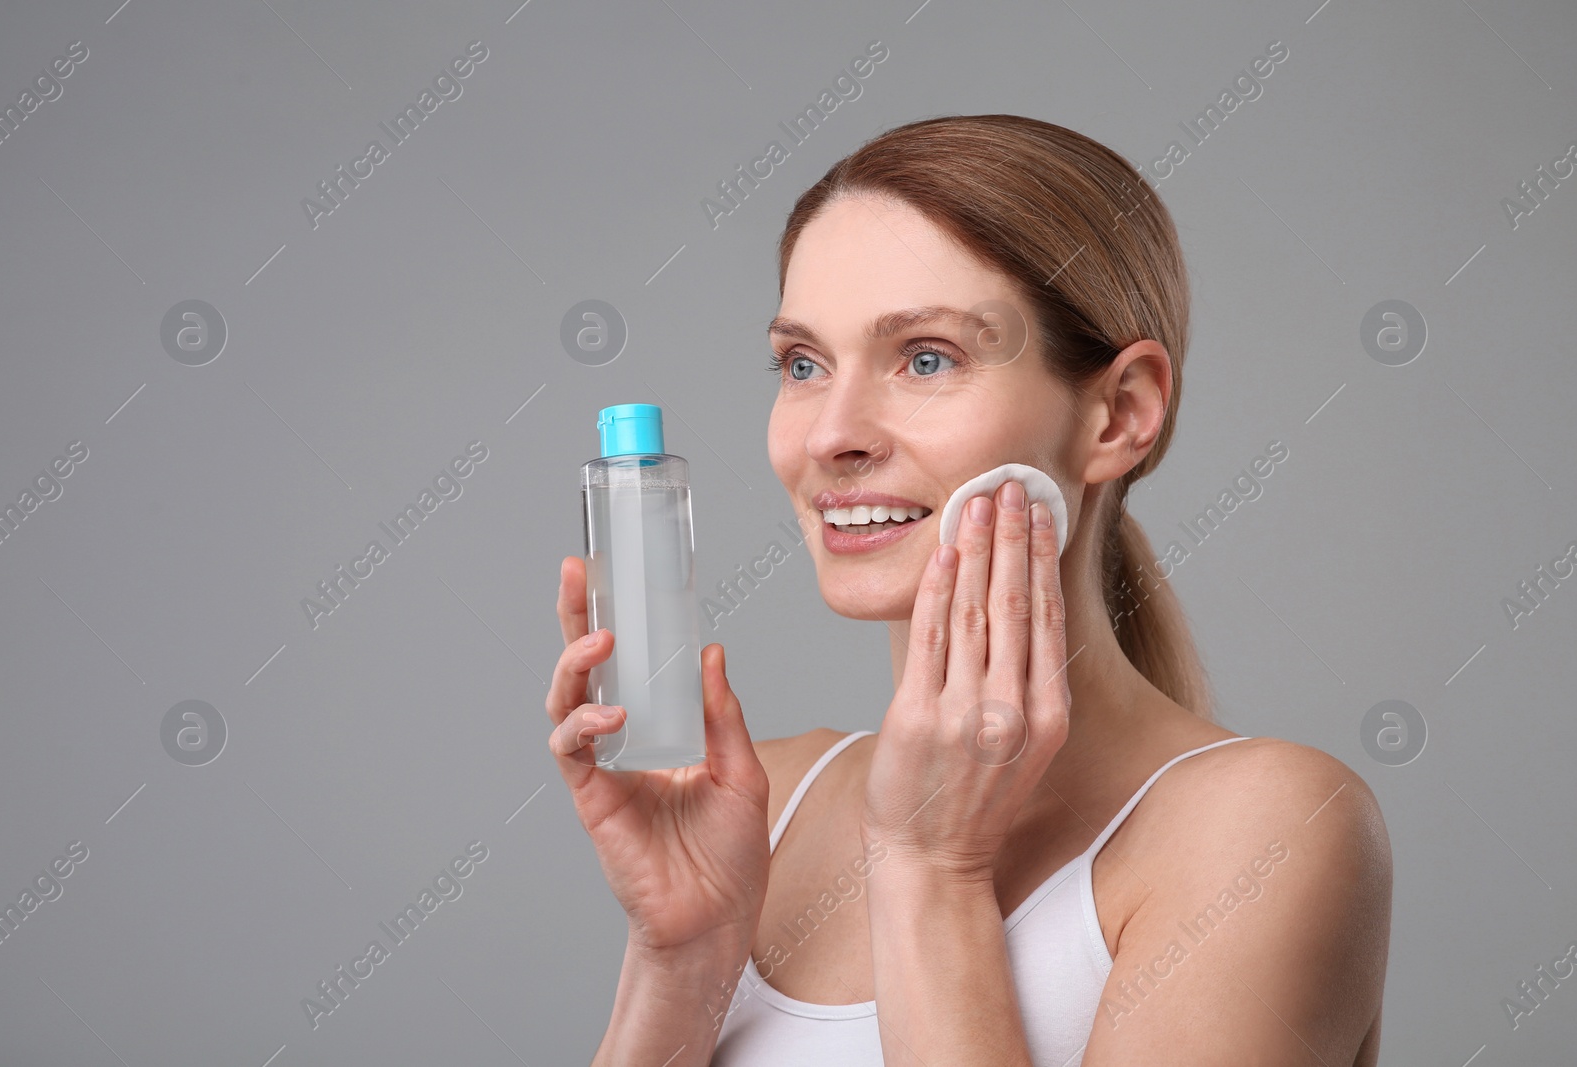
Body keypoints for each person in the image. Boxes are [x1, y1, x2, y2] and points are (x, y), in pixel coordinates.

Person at [547, 114, 1392, 1066]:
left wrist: (931, 870)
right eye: (803, 364)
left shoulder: (1267, 830)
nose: (831, 435)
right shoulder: (760, 805)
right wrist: (684, 958)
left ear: (1120, 413)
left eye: (926, 358)